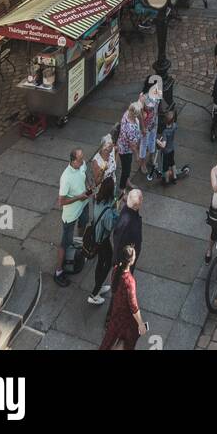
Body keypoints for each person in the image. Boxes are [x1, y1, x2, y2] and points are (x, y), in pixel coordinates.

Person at [54, 148, 93, 287]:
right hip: (70, 214)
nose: (83, 162)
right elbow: (61, 202)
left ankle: (80, 247)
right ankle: (58, 271)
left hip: (83, 206)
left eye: (83, 158)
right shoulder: (65, 178)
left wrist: (88, 185)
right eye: (80, 160)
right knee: (65, 243)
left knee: (83, 224)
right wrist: (78, 197)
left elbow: (85, 173)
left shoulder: (81, 165)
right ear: (72, 160)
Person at [98, 244, 147, 350]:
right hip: (126, 319)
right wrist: (140, 324)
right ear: (131, 261)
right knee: (128, 343)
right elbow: (133, 306)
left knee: (108, 342)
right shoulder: (129, 281)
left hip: (116, 314)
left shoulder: (115, 270)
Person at [86, 175, 118, 306]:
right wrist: (116, 211)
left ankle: (98, 287)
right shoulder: (108, 211)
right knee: (109, 261)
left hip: (96, 237)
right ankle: (94, 293)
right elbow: (111, 225)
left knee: (101, 262)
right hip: (102, 240)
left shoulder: (98, 200)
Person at [112, 187, 144, 272]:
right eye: (141, 200)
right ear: (137, 205)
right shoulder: (132, 226)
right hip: (125, 260)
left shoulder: (126, 209)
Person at [116, 102, 142, 193]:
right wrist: (137, 156)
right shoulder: (130, 128)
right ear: (135, 114)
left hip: (123, 145)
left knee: (127, 167)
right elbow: (132, 145)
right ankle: (122, 188)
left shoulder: (127, 113)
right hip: (126, 150)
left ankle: (127, 182)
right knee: (126, 170)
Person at [138, 79, 162, 177]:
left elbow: (159, 105)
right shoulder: (143, 97)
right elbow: (139, 113)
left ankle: (151, 157)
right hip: (146, 125)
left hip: (154, 121)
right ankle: (142, 163)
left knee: (153, 140)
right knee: (144, 144)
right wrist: (142, 127)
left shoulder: (157, 92)